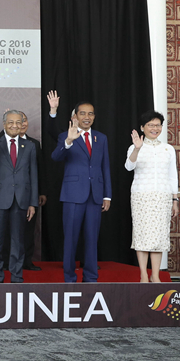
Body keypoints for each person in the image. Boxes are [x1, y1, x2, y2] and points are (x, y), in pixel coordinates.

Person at [52, 101, 112, 283]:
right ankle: (69, 278)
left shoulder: (101, 138)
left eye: (90, 114)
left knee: (92, 238)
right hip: (73, 195)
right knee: (70, 238)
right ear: (75, 116)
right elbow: (55, 157)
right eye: (83, 113)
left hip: (95, 195)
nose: (87, 117)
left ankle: (91, 278)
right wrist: (69, 141)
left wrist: (107, 195)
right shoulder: (66, 135)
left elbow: (105, 167)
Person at [0, 110, 38, 283]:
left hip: (21, 199)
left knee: (18, 240)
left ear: (22, 124)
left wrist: (32, 203)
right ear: (4, 124)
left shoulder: (29, 146)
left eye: (18, 122)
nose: (15, 125)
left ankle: (16, 276)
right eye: (11, 122)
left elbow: (33, 176)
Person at [125, 111, 179, 283]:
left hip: (163, 197)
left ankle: (155, 275)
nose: (155, 128)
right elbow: (128, 166)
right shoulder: (135, 147)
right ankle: (143, 274)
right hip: (142, 196)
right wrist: (137, 148)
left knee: (159, 236)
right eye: (151, 125)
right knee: (142, 235)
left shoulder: (168, 149)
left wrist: (175, 200)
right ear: (143, 127)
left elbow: (173, 176)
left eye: (158, 125)